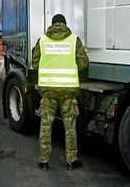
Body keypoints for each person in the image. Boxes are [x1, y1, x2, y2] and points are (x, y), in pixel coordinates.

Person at [32, 14, 89, 170]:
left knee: (45, 124)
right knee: (69, 126)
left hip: (48, 90)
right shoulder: (74, 40)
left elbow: (34, 63)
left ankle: (44, 161)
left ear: (52, 25)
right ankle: (71, 160)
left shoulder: (42, 41)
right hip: (68, 91)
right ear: (64, 24)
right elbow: (84, 63)